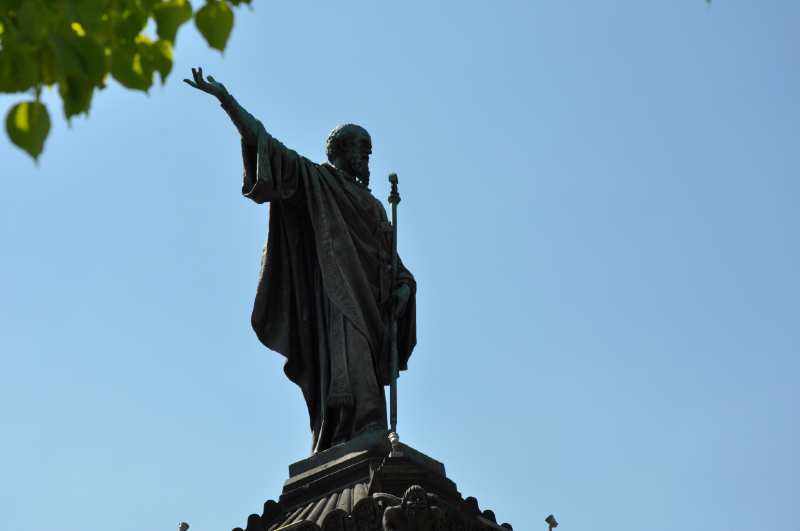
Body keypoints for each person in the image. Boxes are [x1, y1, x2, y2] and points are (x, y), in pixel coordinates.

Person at [185, 68, 417, 453]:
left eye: (369, 151)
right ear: (340, 151)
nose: (367, 157)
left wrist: (404, 288)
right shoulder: (317, 181)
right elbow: (265, 143)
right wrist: (227, 101)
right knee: (347, 364)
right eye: (361, 148)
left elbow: (394, 263)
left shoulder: (376, 208)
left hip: (372, 305)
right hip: (337, 294)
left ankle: (361, 429)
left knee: (364, 363)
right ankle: (359, 427)